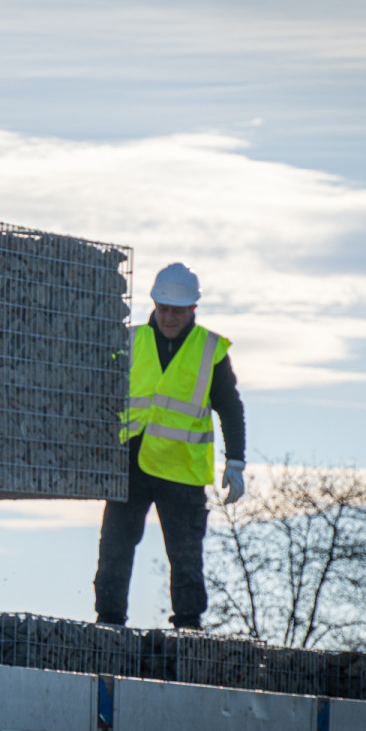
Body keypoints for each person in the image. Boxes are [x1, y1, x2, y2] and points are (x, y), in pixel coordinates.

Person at [93, 261, 246, 629]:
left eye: (177, 311)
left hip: (182, 470)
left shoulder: (210, 350)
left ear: (193, 309)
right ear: (155, 304)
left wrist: (236, 462)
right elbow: (101, 396)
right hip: (130, 462)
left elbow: (229, 406)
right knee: (115, 547)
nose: (170, 317)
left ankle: (188, 627)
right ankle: (109, 622)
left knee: (185, 554)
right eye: (164, 309)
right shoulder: (129, 341)